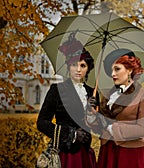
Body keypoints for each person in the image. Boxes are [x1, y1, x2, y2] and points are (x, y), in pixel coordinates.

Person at [37, 35, 99, 168]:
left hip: (85, 155)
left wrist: (93, 113)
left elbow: (96, 127)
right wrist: (72, 134)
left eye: (82, 65)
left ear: (88, 68)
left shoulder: (91, 93)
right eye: (74, 65)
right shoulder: (57, 90)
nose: (78, 69)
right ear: (68, 66)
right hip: (65, 155)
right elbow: (42, 123)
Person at [90, 49, 144, 168]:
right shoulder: (109, 95)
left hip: (130, 154)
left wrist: (111, 127)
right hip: (108, 153)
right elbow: (99, 128)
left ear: (129, 70)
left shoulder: (142, 95)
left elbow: (142, 129)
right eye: (111, 70)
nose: (113, 74)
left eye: (117, 69)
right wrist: (92, 114)